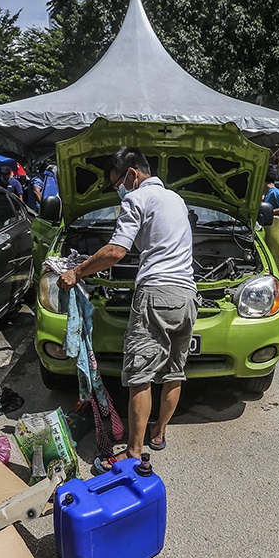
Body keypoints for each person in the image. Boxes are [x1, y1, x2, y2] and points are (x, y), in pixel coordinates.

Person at [57, 147, 197, 473]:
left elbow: (117, 251)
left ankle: (133, 453)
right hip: (188, 297)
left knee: (140, 377)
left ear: (132, 175)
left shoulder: (136, 199)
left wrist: (76, 271)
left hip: (156, 295)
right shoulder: (176, 199)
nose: (117, 190)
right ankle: (158, 434)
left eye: (116, 183)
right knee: (174, 371)